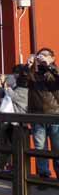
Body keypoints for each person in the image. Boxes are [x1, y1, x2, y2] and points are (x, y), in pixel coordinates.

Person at [27, 48, 59, 180]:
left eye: (45, 55)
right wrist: (28, 66)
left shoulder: (54, 73)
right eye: (40, 55)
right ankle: (44, 176)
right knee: (40, 148)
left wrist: (49, 66)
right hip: (37, 116)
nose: (42, 57)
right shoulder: (33, 74)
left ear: (52, 58)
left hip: (55, 115)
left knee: (57, 149)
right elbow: (21, 82)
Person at [0, 64, 29, 171]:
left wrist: (5, 84)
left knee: (18, 147)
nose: (14, 76)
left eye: (16, 73)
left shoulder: (25, 87)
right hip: (9, 120)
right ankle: (7, 167)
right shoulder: (15, 86)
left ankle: (19, 170)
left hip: (19, 121)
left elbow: (15, 97)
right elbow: (3, 95)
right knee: (6, 144)